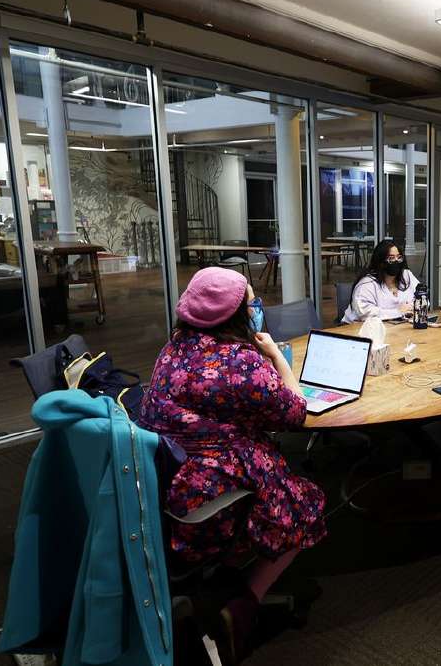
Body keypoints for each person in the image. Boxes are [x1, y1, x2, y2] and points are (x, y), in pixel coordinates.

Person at [138, 267, 324, 662]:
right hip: (209, 500)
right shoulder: (243, 362)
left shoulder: (172, 349)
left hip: (163, 485)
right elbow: (295, 413)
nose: (257, 308)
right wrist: (275, 356)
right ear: (236, 314)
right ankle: (244, 606)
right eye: (252, 303)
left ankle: (222, 583)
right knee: (305, 502)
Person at [343, 239, 420, 322]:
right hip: (360, 327)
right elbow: (363, 312)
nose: (396, 261)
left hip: (397, 325)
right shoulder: (367, 283)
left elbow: (422, 297)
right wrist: (397, 312)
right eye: (391, 258)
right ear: (380, 262)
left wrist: (411, 307)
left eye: (399, 257)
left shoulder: (406, 275)